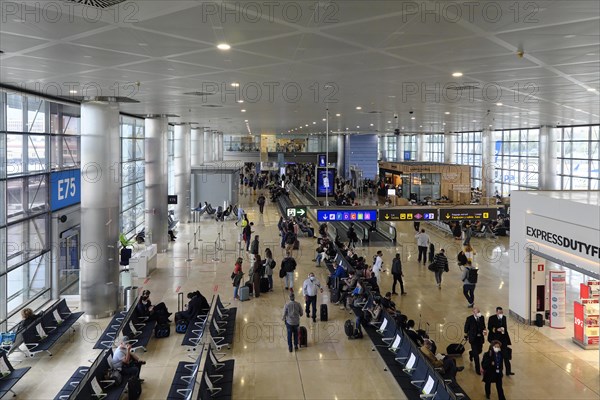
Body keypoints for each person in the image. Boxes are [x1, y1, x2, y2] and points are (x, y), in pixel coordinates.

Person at [487, 307, 514, 376]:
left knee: (506, 356)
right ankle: (500, 371)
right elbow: (489, 327)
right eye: (499, 313)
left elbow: (505, 327)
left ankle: (508, 371)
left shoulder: (504, 318)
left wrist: (503, 330)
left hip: (503, 339)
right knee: (499, 356)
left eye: (502, 312)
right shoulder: (492, 318)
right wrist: (496, 329)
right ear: (496, 312)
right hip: (495, 340)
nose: (501, 314)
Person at [464, 307, 487, 375]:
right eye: (477, 312)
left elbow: (483, 326)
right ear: (473, 312)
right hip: (473, 339)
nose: (479, 313)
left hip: (480, 338)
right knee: (476, 356)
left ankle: (471, 353)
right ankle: (477, 370)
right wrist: (466, 335)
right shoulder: (469, 319)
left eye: (479, 311)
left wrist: (485, 331)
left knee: (479, 351)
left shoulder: (482, 317)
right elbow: (466, 328)